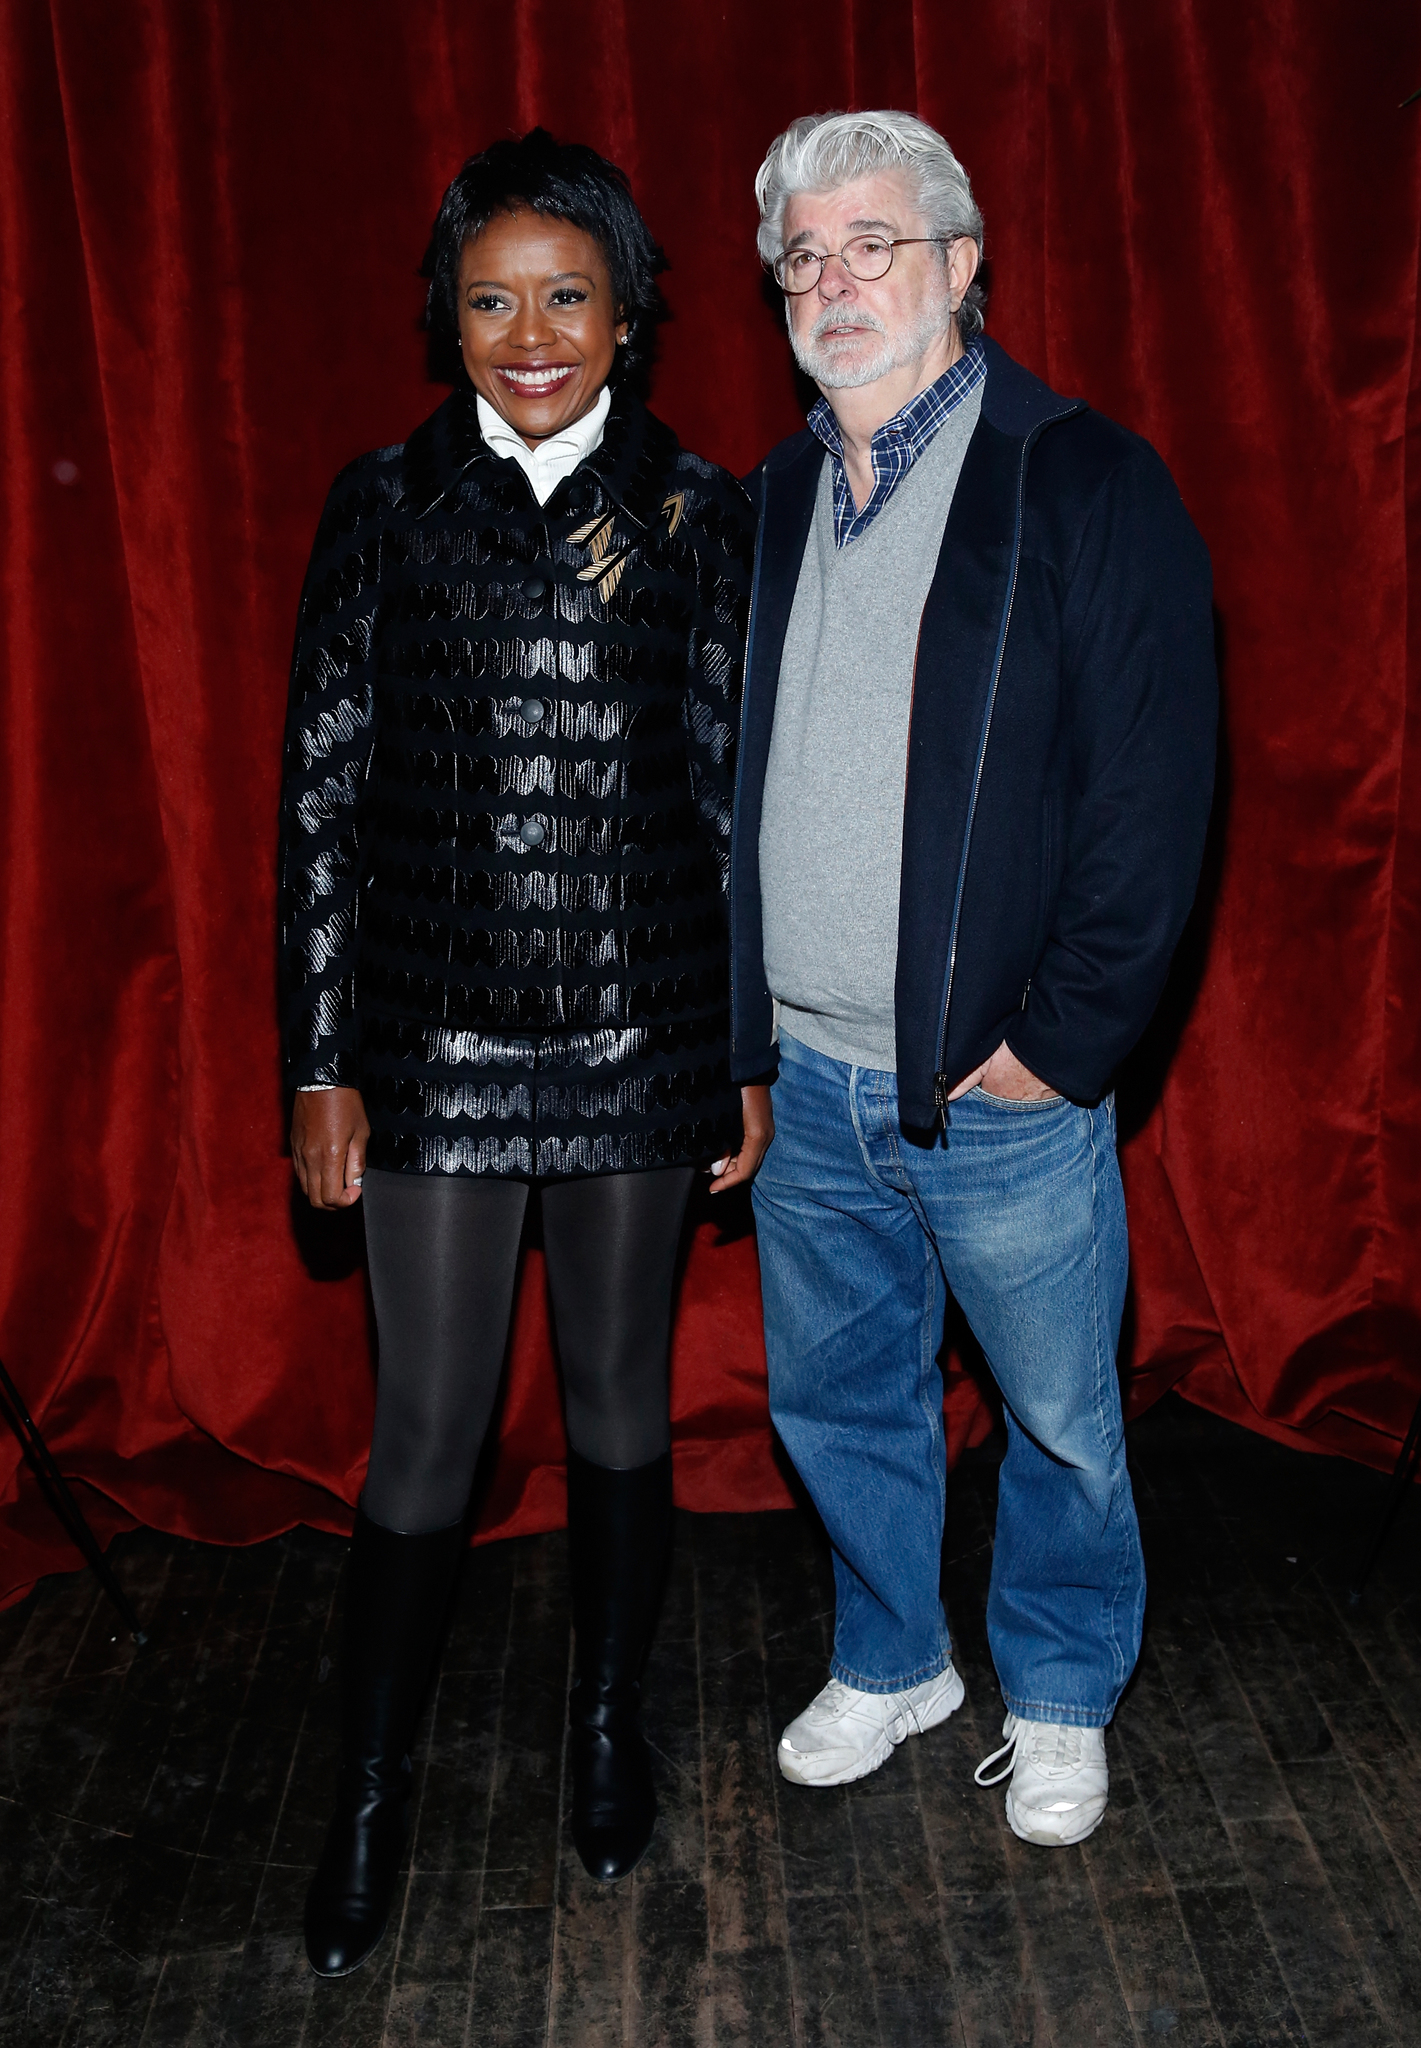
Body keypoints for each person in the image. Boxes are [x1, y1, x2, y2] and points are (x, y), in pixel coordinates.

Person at [279, 129, 769, 1978]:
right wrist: (321, 1057)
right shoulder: (380, 510)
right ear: (448, 321)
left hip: (641, 1029)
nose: (531, 331)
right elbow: (320, 795)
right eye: (491, 299)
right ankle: (369, 1794)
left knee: (622, 1409)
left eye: (568, 295)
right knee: (426, 1434)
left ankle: (600, 1732)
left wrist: (732, 1046)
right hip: (430, 1035)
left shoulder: (702, 514)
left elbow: (726, 803)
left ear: (629, 315)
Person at [731, 111, 1216, 1845]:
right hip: (806, 1083)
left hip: (994, 1089)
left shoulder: (1082, 476)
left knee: (1061, 1419)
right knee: (838, 1402)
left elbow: (1153, 792)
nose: (834, 281)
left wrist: (1058, 1045)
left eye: (873, 245)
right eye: (803, 252)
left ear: (958, 264)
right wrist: (743, 1038)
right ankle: (892, 1660)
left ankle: (1065, 1692)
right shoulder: (774, 494)